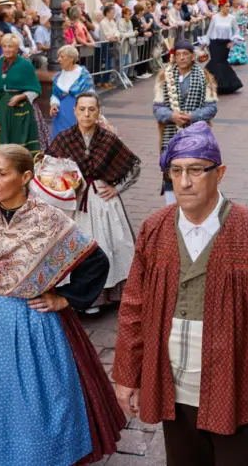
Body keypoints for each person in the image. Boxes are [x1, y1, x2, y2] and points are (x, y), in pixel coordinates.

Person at [112, 122, 248, 466]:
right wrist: (128, 375)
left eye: (195, 171)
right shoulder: (155, 228)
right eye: (176, 170)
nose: (184, 182)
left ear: (219, 173)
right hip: (173, 386)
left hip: (237, 383)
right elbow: (134, 308)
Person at [0, 144, 124, 465]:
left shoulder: (48, 220)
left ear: (25, 177)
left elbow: (94, 261)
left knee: (36, 401)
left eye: (2, 173)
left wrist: (65, 298)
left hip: (31, 325)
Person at [49, 92, 140, 311]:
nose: (86, 114)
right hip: (74, 202)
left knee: (109, 245)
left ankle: (103, 294)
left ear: (98, 111)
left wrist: (116, 188)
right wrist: (61, 188)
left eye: (92, 109)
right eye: (82, 109)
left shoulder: (107, 138)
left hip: (101, 201)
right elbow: (48, 167)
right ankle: (75, 295)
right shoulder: (64, 138)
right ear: (75, 111)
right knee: (75, 248)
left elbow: (133, 165)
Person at [153, 39, 218, 204]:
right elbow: (157, 107)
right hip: (170, 135)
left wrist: (192, 116)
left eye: (185, 54)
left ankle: (195, 205)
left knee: (196, 171)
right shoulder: (164, 77)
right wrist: (171, 115)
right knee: (171, 172)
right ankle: (171, 208)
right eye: (178, 54)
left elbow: (211, 108)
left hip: (196, 135)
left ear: (192, 56)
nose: (181, 58)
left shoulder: (204, 77)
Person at [0, 34, 43, 155]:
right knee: (1, 141)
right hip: (0, 107)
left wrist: (20, 97)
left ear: (17, 48)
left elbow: (35, 89)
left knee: (18, 141)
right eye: (4, 46)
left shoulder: (25, 65)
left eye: (11, 46)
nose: (7, 49)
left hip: (20, 109)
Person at [50, 44, 97, 138]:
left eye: (62, 57)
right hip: (60, 115)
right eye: (58, 57)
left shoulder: (83, 75)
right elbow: (55, 94)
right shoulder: (58, 76)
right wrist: (54, 104)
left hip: (78, 113)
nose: (59, 59)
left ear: (71, 59)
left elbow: (92, 95)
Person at [202, 0, 243, 95]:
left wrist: (233, 41)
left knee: (222, 62)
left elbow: (237, 30)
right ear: (221, 7)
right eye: (226, 6)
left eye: (229, 6)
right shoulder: (215, 17)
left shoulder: (232, 18)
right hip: (214, 43)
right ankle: (212, 84)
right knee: (215, 62)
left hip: (225, 44)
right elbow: (209, 31)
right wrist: (205, 43)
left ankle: (223, 85)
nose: (228, 8)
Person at [227, 1, 248, 66]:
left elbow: (246, 19)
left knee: (239, 43)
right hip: (232, 29)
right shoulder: (230, 10)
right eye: (234, 1)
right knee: (233, 43)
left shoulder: (241, 10)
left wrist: (246, 13)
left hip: (240, 29)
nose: (235, 3)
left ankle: (240, 58)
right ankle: (232, 59)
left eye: (237, 1)